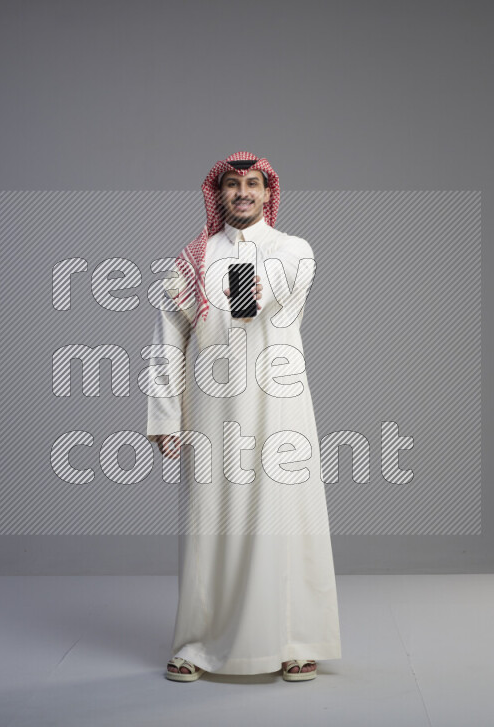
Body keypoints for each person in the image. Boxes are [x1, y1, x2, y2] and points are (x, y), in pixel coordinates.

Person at [145, 151, 341, 682]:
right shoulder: (191, 259)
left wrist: (223, 278)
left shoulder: (294, 250)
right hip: (211, 409)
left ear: (267, 192)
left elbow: (257, 297)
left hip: (279, 406)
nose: (242, 194)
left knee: (284, 518)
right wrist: (165, 416)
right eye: (232, 185)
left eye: (252, 184)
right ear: (219, 195)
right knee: (209, 522)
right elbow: (168, 341)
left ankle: (295, 641)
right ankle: (196, 643)